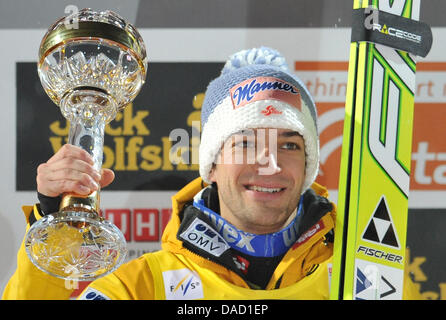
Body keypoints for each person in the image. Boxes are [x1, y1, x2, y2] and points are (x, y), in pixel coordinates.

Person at [2, 47, 421, 300]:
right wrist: (59, 224)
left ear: (309, 165)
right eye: (244, 143)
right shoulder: (146, 285)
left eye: (289, 145)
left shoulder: (364, 274)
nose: (270, 163)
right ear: (212, 164)